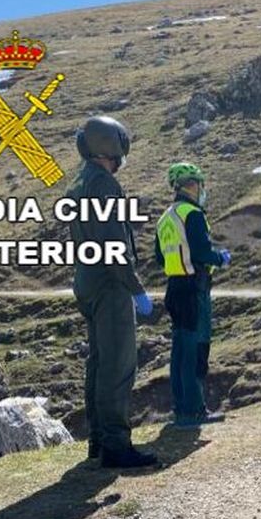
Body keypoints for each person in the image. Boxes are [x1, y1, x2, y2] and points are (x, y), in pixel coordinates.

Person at [66, 116, 158, 468]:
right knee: (118, 366)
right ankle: (116, 446)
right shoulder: (103, 184)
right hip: (109, 284)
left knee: (99, 364)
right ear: (111, 147)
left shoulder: (81, 182)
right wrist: (135, 288)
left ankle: (99, 442)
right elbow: (113, 245)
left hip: (87, 280)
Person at [154, 163, 230, 428]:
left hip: (174, 286)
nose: (202, 189)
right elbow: (201, 252)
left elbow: (158, 256)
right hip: (194, 287)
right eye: (200, 184)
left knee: (179, 351)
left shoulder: (166, 217)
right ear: (192, 185)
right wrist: (220, 258)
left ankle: (181, 408)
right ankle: (193, 411)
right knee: (196, 349)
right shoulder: (193, 214)